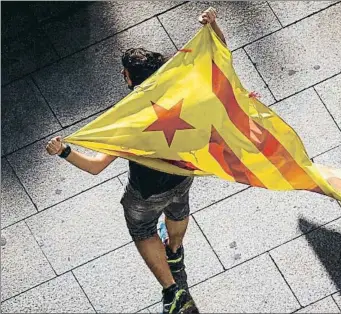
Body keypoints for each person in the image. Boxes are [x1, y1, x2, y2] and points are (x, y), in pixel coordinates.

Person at [46, 8, 226, 314]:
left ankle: (174, 293)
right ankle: (175, 250)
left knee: (143, 231)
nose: (122, 74)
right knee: (179, 209)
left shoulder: (128, 120)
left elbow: (95, 166)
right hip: (183, 175)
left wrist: (62, 151)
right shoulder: (183, 91)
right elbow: (217, 57)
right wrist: (214, 26)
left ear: (132, 82)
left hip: (144, 194)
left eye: (125, 72)